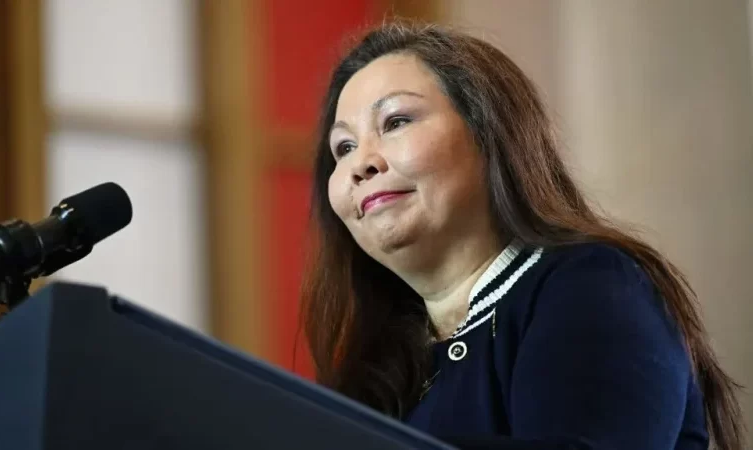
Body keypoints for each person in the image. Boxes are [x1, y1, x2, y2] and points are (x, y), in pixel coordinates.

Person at [299, 21, 745, 450]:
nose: (361, 164)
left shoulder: (593, 284)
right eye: (344, 147)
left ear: (489, 132)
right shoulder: (379, 363)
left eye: (396, 121)